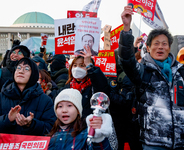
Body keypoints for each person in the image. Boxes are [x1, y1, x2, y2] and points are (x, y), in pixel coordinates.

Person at [118, 5, 184, 149]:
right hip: (153, 144)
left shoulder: (181, 72)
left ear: (169, 47)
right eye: (156, 44)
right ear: (147, 48)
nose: (160, 47)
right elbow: (127, 60)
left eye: (164, 44)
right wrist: (126, 28)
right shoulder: (143, 71)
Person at [0, 57, 56, 146]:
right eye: (18, 68)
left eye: (26, 69)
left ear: (33, 74)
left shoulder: (45, 101)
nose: (21, 71)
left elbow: (52, 130)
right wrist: (7, 119)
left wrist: (31, 124)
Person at [50, 46, 110, 118]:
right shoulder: (66, 88)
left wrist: (88, 64)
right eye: (75, 65)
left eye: (82, 65)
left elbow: (102, 86)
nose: (77, 68)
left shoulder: (94, 88)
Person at [47, 88, 112, 150]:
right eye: (60, 106)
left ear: (78, 110)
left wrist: (98, 139)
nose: (64, 110)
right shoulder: (51, 134)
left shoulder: (86, 133)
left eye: (69, 105)